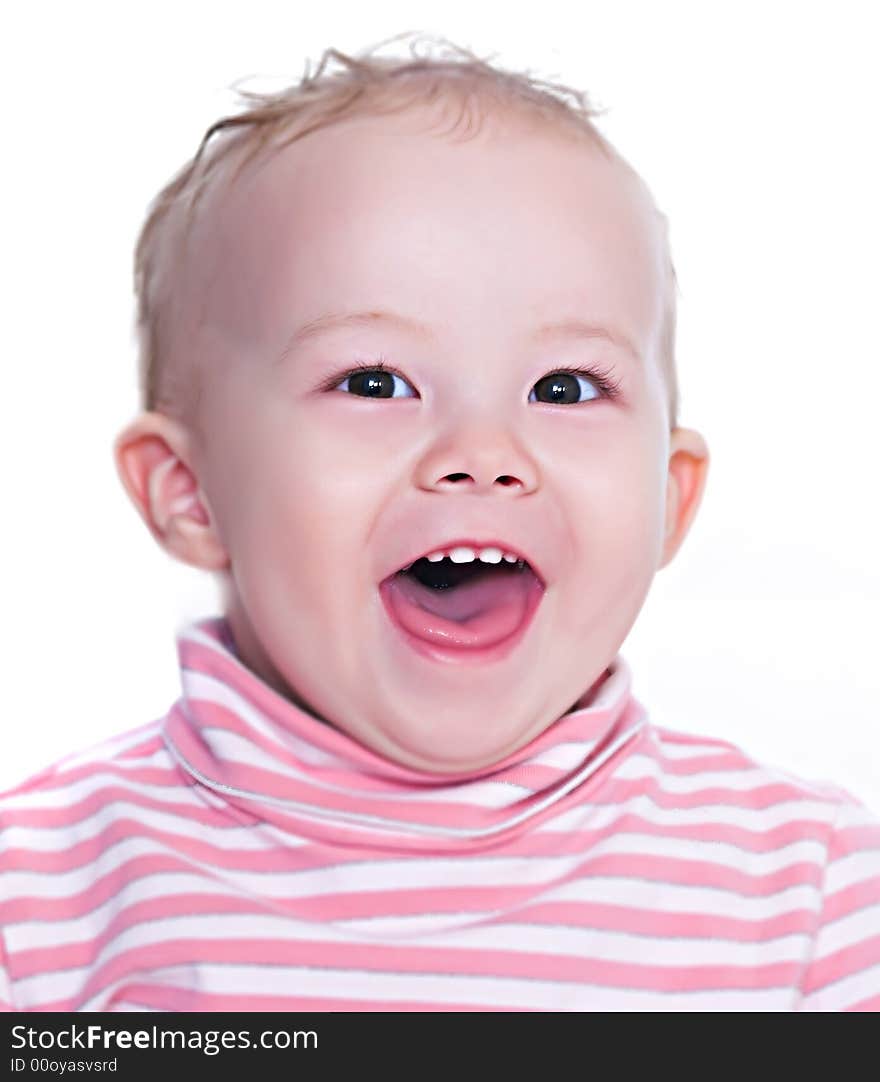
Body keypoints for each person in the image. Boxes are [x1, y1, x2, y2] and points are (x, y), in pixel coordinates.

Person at [2, 32, 878, 1012]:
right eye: (375, 380)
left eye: (564, 385)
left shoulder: (808, 895)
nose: (483, 449)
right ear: (190, 490)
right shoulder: (42, 903)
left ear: (667, 497)